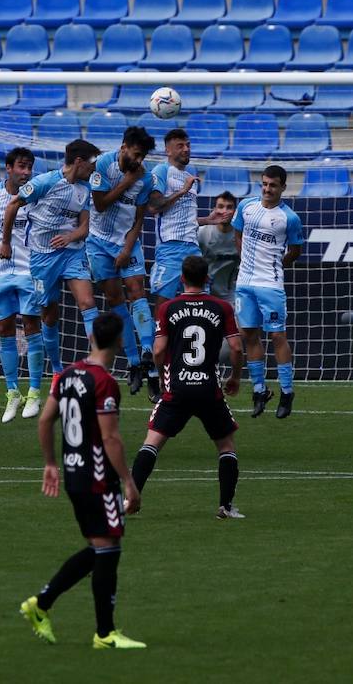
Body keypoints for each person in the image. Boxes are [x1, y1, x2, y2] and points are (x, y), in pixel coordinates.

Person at [19, 312, 146, 650]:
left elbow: (45, 420)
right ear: (119, 341)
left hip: (75, 475)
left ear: (91, 338)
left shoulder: (68, 375)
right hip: (98, 478)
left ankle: (42, 605)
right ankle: (104, 634)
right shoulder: (104, 382)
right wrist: (129, 482)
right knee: (109, 548)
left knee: (100, 548)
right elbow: (111, 439)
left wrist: (50, 463)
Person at [131, 255, 246, 519]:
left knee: (152, 443)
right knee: (226, 446)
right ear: (207, 279)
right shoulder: (222, 308)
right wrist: (236, 378)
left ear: (182, 278)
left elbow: (159, 349)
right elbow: (237, 347)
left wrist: (161, 376)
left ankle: (131, 499)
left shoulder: (168, 308)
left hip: (178, 388)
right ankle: (225, 507)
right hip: (209, 389)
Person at [0, 139, 99, 386]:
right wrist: (5, 242)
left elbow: (85, 227)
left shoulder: (85, 188)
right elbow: (13, 205)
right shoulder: (45, 182)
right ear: (79, 161)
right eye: (91, 163)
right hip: (43, 257)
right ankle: (56, 370)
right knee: (49, 315)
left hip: (73, 253)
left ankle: (98, 365)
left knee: (87, 302)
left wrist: (71, 236)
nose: (93, 169)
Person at [87, 126, 157, 399]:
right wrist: (127, 181)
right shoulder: (102, 165)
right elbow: (101, 204)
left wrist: (128, 247)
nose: (139, 161)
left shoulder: (146, 177)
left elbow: (140, 217)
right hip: (97, 241)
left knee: (137, 292)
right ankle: (133, 362)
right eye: (137, 154)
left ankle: (148, 357)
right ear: (124, 146)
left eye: (143, 157)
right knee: (116, 301)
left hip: (128, 241)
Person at [0, 147, 46, 423]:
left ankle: (34, 391)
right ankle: (12, 392)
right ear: (8, 167)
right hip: (1, 270)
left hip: (30, 269)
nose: (26, 172)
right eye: (21, 166)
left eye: (29, 167)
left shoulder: (36, 194)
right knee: (5, 328)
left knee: (32, 326)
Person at [232, 166, 305, 419]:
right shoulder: (246, 207)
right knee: (248, 335)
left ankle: (286, 392)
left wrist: (277, 265)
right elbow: (237, 233)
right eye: (264, 184)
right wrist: (245, 259)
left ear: (283, 187)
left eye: (273, 185)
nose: (267, 189)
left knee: (277, 336)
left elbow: (295, 250)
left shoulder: (290, 218)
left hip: (271, 284)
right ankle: (259, 390)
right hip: (244, 283)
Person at [196, 191, 240, 304]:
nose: (224, 211)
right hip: (204, 291)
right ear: (214, 210)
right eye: (220, 207)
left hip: (230, 291)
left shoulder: (241, 236)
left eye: (229, 207)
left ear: (235, 211)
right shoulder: (203, 233)